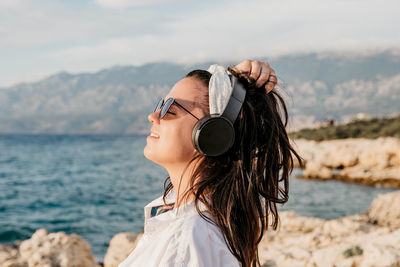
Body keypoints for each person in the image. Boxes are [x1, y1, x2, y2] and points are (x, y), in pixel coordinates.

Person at [119, 60, 302, 267]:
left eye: (171, 109)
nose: (152, 116)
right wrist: (231, 81)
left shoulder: (185, 242)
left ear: (212, 134)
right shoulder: (188, 221)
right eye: (160, 105)